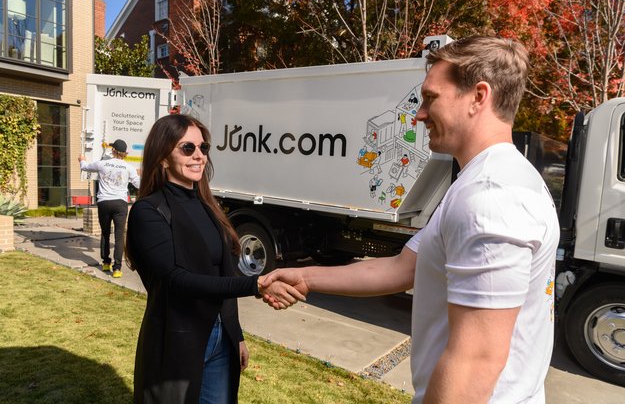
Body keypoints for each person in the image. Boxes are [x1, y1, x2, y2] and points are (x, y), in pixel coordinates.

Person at [262, 36, 560, 404]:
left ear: (478, 97)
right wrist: (306, 277)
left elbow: (475, 363)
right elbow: (404, 268)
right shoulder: (497, 179)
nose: (419, 114)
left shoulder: (490, 197)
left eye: (431, 98)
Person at [125, 114, 303, 404]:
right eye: (187, 148)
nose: (199, 156)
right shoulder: (148, 211)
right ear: (163, 157)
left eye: (203, 147)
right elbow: (175, 280)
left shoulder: (208, 206)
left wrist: (235, 334)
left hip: (220, 338)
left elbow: (225, 272)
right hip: (177, 340)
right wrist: (256, 285)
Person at [79, 139, 140, 278]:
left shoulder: (103, 164)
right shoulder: (129, 168)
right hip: (120, 203)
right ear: (125, 153)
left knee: (105, 233)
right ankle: (117, 268)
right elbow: (138, 184)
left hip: (104, 202)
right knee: (119, 236)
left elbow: (85, 167)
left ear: (113, 151)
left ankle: (106, 262)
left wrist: (81, 160)